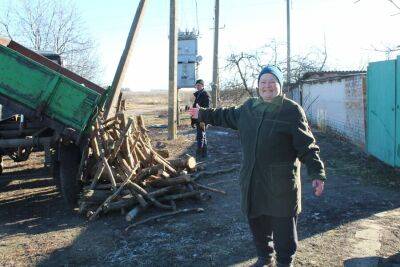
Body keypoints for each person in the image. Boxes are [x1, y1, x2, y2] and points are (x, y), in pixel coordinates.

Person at [188, 66, 326, 267]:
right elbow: (225, 115)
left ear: (279, 85)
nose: (267, 86)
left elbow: (307, 146)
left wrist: (317, 172)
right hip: (253, 181)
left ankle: (285, 262)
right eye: (263, 82)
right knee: (258, 224)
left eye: (272, 82)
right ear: (258, 86)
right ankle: (265, 257)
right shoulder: (249, 108)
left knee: (284, 230)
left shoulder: (291, 110)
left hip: (281, 184)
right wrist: (203, 114)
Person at [191, 79, 210, 158]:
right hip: (198, 118)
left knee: (201, 136)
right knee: (201, 136)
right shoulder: (198, 94)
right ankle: (203, 153)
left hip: (202, 119)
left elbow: (207, 108)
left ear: (202, 85)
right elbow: (194, 108)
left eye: (199, 85)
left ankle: (200, 153)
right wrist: (192, 121)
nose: (197, 86)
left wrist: (203, 119)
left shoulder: (205, 94)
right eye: (196, 85)